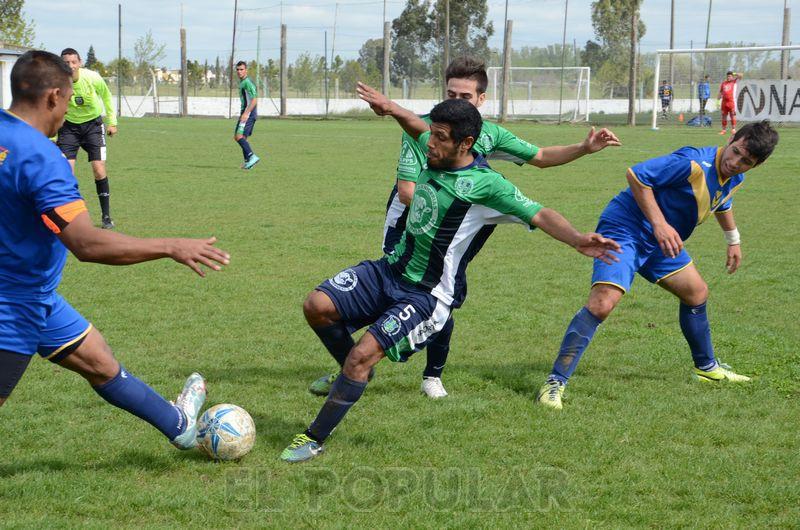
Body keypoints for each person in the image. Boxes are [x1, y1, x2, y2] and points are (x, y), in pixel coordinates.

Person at [280, 86, 621, 462]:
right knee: (317, 305)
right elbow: (416, 127)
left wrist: (576, 239)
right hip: (388, 271)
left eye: (440, 138)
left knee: (361, 355)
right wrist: (391, 108)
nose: (430, 144)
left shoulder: (487, 185)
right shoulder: (435, 147)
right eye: (433, 134)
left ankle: (313, 437)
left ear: (466, 143)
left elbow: (538, 212)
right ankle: (356, 373)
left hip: (425, 296)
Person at [0, 51, 231, 451]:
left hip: (37, 296)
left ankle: (181, 426)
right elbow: (87, 244)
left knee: (100, 362)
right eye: (70, 98)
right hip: (12, 307)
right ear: (54, 96)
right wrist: (171, 246)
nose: (70, 109)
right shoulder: (43, 159)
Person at [535, 120, 779, 410]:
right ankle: (554, 382)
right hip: (626, 228)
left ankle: (707, 368)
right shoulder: (693, 163)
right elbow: (637, 175)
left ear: (756, 165)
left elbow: (720, 200)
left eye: (745, 161)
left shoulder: (735, 177)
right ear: (732, 139)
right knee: (602, 304)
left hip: (661, 243)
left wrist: (733, 239)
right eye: (735, 151)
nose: (734, 162)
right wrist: (660, 224)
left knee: (696, 293)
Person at [57, 48, 118, 229]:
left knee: (99, 169)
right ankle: (70, 217)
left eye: (73, 62)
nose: (70, 65)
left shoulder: (92, 78)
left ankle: (106, 216)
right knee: (66, 173)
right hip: (68, 128)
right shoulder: (57, 82)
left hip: (93, 125)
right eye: (66, 62)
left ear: (80, 63)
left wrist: (112, 122)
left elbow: (106, 96)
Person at [234, 61, 260, 169]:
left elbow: (254, 100)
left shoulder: (247, 83)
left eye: (241, 69)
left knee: (238, 136)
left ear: (246, 70)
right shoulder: (243, 82)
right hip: (248, 113)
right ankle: (248, 162)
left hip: (248, 113)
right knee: (243, 137)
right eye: (238, 69)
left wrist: (246, 113)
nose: (239, 71)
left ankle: (252, 156)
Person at [718, 71, 742, 135]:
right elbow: (721, 92)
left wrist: (734, 73)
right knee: (724, 116)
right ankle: (723, 130)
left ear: (732, 76)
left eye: (730, 76)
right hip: (724, 102)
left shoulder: (734, 82)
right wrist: (717, 101)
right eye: (728, 76)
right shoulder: (724, 83)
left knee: (732, 115)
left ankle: (733, 129)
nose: (728, 77)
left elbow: (741, 75)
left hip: (731, 102)